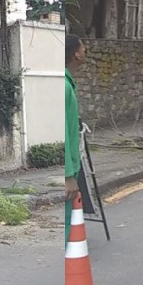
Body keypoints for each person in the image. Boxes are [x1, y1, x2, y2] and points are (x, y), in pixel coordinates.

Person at [65, 34, 84, 243]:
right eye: (83, 48)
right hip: (67, 173)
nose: (85, 51)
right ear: (76, 54)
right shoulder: (64, 87)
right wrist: (68, 176)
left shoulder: (67, 84)